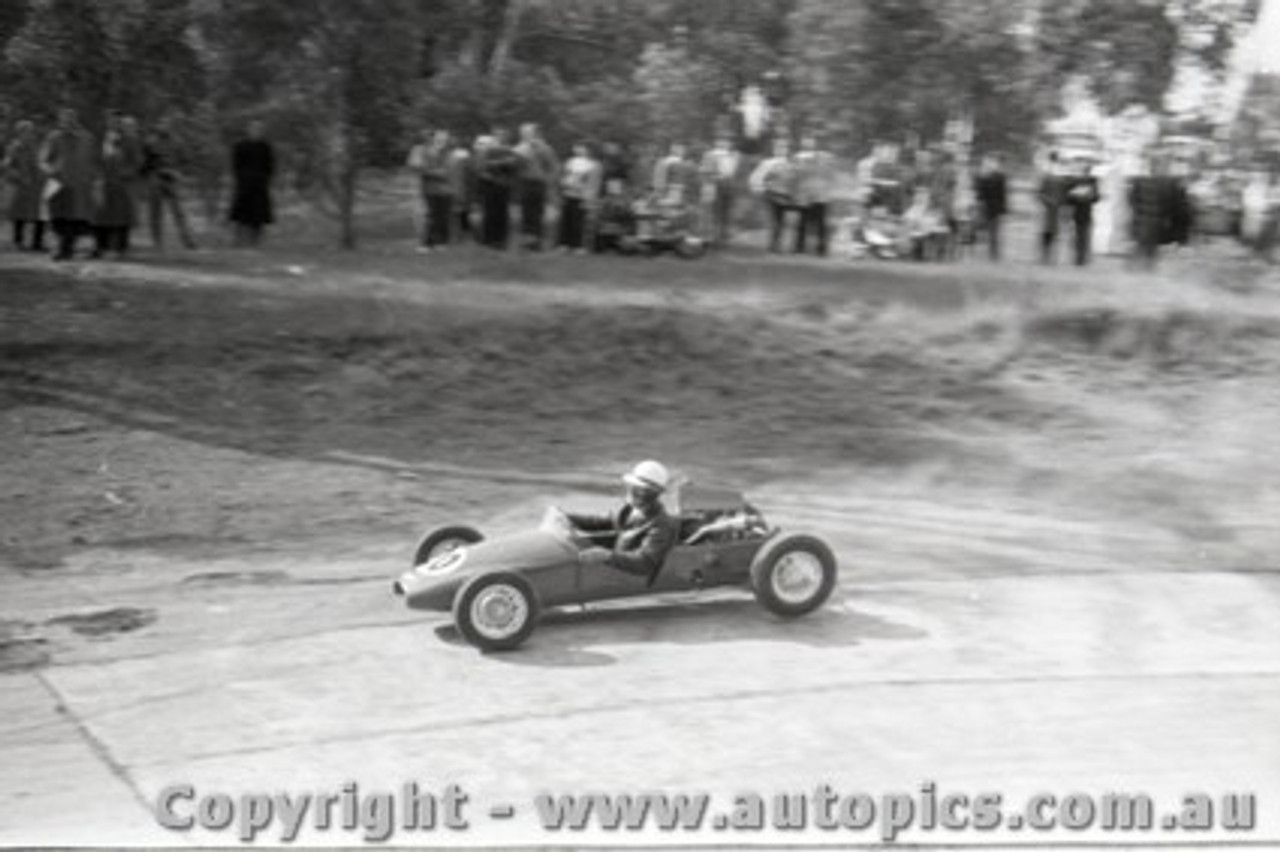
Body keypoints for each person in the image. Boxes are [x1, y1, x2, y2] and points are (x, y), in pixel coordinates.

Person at [568, 460, 680, 583]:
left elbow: (644, 563)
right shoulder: (631, 509)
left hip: (631, 583)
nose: (633, 492)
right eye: (633, 486)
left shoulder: (661, 525)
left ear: (655, 494)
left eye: (643, 490)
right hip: (615, 573)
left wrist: (607, 555)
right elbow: (601, 521)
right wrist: (567, 517)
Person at [40, 108, 98, 261]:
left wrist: (92, 179)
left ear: (76, 120)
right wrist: (50, 170)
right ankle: (60, 248)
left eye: (70, 120)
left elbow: (92, 161)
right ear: (60, 121)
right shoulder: (53, 137)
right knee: (56, 219)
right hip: (57, 184)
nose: (67, 123)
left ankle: (66, 250)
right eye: (64, 120)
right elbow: (43, 160)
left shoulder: (87, 138)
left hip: (78, 185)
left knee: (72, 218)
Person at [93, 111, 143, 258]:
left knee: (121, 217)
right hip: (103, 183)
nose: (113, 123)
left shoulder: (129, 139)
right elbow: (94, 159)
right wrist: (96, 176)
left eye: (116, 121)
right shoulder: (100, 139)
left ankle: (120, 249)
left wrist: (127, 173)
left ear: (120, 123)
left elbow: (138, 161)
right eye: (110, 120)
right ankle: (99, 248)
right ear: (107, 121)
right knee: (100, 215)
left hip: (121, 184)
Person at [141, 118, 196, 250]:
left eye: (166, 124)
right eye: (160, 124)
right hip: (156, 178)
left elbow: (187, 160)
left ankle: (187, 240)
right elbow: (144, 162)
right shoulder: (150, 141)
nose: (163, 127)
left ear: (171, 126)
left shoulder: (177, 142)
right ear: (157, 126)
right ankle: (157, 243)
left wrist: (179, 172)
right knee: (155, 213)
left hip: (172, 179)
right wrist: (148, 175)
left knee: (179, 212)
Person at [229, 119, 275, 246]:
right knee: (240, 213)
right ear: (248, 130)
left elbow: (270, 165)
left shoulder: (265, 147)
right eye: (254, 129)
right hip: (244, 183)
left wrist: (265, 178)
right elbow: (236, 165)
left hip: (260, 184)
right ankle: (238, 240)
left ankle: (255, 241)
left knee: (259, 214)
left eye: (259, 130)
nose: (256, 132)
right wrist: (241, 178)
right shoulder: (240, 145)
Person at [407, 128, 453, 253]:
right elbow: (415, 166)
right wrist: (433, 171)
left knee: (442, 218)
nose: (441, 140)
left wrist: (428, 170)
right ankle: (427, 244)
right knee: (430, 216)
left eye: (444, 139)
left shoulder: (447, 153)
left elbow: (447, 172)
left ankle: (441, 243)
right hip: (430, 190)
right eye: (438, 138)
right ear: (433, 138)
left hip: (445, 190)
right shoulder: (421, 150)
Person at [514, 122, 559, 251]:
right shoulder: (519, 148)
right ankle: (526, 241)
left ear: (535, 133)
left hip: (539, 183)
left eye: (527, 132)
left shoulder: (545, 148)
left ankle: (536, 242)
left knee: (536, 213)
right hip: (524, 183)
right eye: (522, 132)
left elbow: (554, 167)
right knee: (526, 212)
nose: (524, 134)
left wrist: (548, 181)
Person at [3, 119, 46, 252]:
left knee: (40, 215)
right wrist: (19, 176)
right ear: (19, 133)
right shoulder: (14, 147)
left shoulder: (35, 147)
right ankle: (18, 241)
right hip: (20, 187)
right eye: (26, 132)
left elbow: (39, 164)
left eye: (31, 132)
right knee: (19, 215)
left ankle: (37, 243)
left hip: (35, 186)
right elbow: (6, 166)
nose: (29, 135)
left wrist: (42, 172)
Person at [749, 137, 795, 253]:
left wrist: (793, 192)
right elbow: (755, 177)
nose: (781, 150)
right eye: (779, 148)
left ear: (787, 150)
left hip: (785, 195)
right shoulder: (768, 163)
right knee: (774, 219)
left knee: (782, 220)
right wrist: (760, 189)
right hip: (772, 194)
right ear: (774, 149)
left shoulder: (790, 164)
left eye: (784, 148)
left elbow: (794, 180)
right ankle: (774, 245)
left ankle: (777, 244)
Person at [793, 133, 836, 256]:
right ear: (802, 143)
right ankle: (799, 248)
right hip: (804, 195)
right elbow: (796, 175)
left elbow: (830, 174)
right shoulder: (798, 157)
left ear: (815, 143)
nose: (808, 143)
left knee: (821, 224)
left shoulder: (824, 156)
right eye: (806, 141)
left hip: (820, 195)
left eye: (810, 141)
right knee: (802, 223)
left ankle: (821, 249)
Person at [476, 127, 520, 249]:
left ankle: (501, 240)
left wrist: (497, 164)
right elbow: (483, 167)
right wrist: (502, 163)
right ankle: (488, 239)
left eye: (502, 136)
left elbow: (513, 166)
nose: (499, 138)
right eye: (497, 136)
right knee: (490, 213)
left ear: (506, 138)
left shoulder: (510, 151)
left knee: (502, 214)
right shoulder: (489, 151)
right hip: (490, 185)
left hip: (504, 186)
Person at [698, 134, 741, 248]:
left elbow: (733, 173)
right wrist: (714, 178)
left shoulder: (733, 156)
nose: (724, 144)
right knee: (712, 213)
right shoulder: (709, 155)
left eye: (727, 141)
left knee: (725, 214)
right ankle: (709, 239)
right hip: (713, 186)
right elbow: (703, 172)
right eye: (721, 141)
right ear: (716, 142)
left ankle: (722, 240)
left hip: (728, 187)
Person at [558, 141, 600, 253]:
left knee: (579, 222)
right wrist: (564, 184)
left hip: (582, 197)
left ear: (588, 150)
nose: (577, 149)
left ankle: (578, 246)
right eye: (576, 147)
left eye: (581, 147)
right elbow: (565, 176)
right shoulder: (570, 162)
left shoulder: (593, 165)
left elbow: (593, 183)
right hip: (568, 194)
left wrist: (588, 198)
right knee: (566, 220)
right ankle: (564, 244)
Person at [1063, 157, 1101, 266]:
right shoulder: (1073, 181)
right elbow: (1067, 198)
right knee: (1076, 237)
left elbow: (1097, 198)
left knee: (1085, 237)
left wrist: (1089, 196)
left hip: (1086, 212)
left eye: (1086, 169)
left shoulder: (1093, 181)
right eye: (1083, 169)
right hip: (1075, 212)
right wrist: (1076, 195)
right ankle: (1077, 258)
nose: (1084, 171)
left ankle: (1082, 259)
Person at [974, 153, 1008, 261]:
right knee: (982, 232)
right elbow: (979, 193)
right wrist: (982, 176)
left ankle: (994, 255)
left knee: (994, 232)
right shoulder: (981, 176)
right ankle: (984, 254)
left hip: (994, 207)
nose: (991, 164)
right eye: (988, 162)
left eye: (993, 162)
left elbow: (1003, 193)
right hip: (984, 207)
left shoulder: (1000, 176)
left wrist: (1003, 209)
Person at [1037, 151, 1066, 264]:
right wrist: (1048, 201)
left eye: (1056, 161)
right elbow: (1040, 193)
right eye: (1053, 161)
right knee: (1046, 232)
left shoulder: (1060, 176)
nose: (1055, 164)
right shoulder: (1045, 175)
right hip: (1047, 208)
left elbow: (1063, 194)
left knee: (1054, 232)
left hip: (1056, 209)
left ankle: (1052, 258)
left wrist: (1060, 202)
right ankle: (1044, 256)